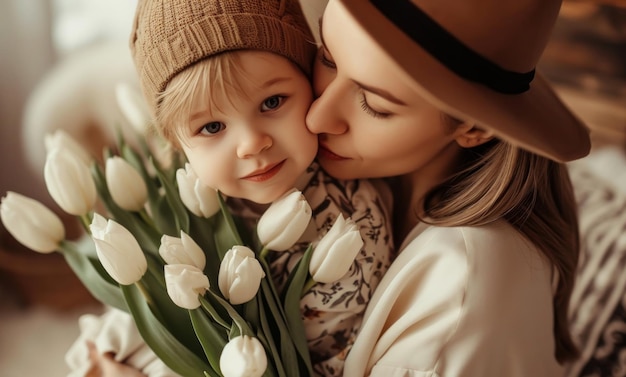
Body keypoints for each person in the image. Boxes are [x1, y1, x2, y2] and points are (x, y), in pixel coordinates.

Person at [66, 0, 393, 376]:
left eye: (272, 102)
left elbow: (324, 363)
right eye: (212, 127)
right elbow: (154, 298)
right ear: (177, 145)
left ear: (311, 85)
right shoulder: (187, 197)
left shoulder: (349, 231)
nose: (252, 144)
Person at [302, 0, 591, 376]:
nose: (317, 116)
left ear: (473, 127)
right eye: (327, 57)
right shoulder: (348, 190)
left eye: (375, 105)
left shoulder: (457, 288)